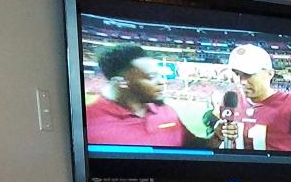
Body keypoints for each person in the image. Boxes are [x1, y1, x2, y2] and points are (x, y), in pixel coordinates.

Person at [85, 44, 217, 148]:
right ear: (122, 82)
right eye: (151, 77)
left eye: (159, 75)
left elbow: (193, 150)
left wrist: (217, 136)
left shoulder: (167, 112)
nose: (161, 82)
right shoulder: (89, 121)